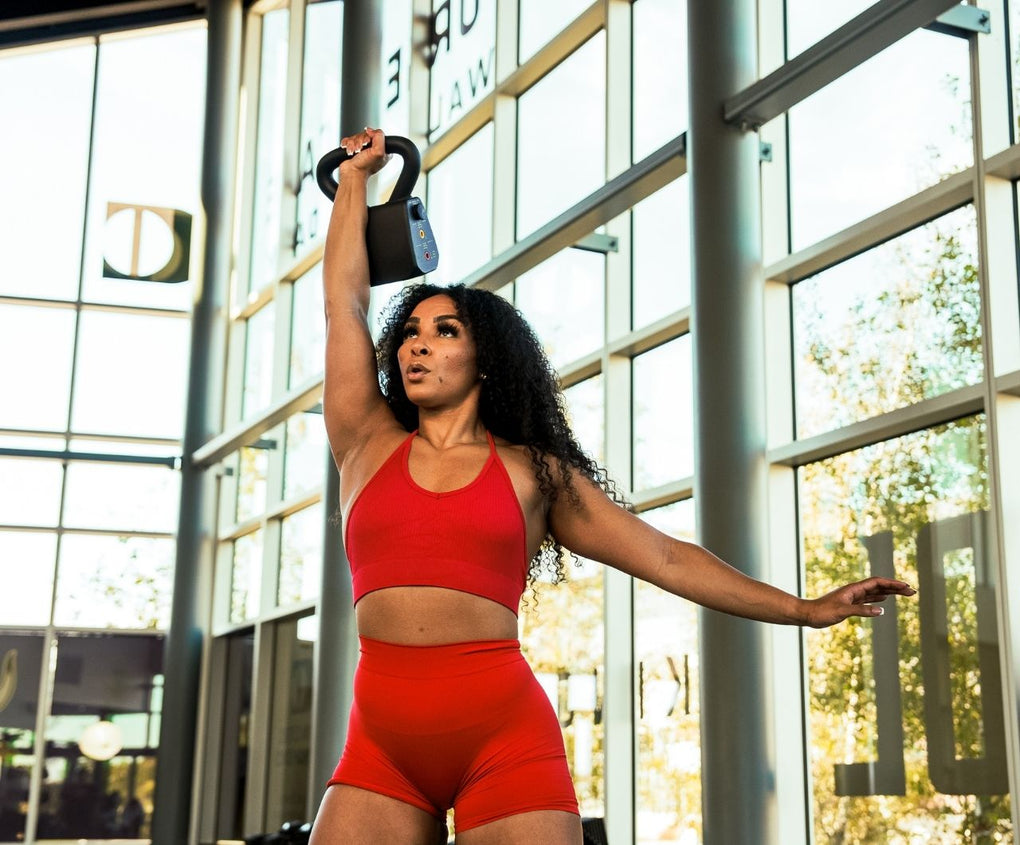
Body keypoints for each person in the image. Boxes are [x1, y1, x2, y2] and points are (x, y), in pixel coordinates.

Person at [308, 127, 916, 845]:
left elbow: (664, 557)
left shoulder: (535, 472)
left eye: (445, 331)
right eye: (410, 330)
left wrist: (804, 609)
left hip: (502, 743)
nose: (417, 342)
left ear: (485, 358)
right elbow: (343, 303)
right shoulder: (364, 440)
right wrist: (355, 180)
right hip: (381, 747)